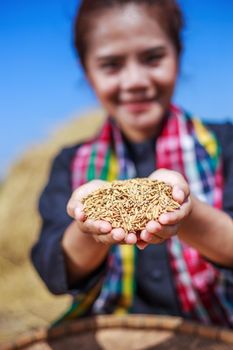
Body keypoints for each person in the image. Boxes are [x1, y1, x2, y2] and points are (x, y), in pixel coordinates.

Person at [31, 0, 233, 327]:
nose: (135, 80)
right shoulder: (70, 162)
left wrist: (187, 212)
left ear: (178, 56)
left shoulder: (223, 145)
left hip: (214, 328)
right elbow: (54, 271)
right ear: (87, 71)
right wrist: (90, 227)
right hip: (113, 330)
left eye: (153, 58)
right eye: (111, 64)